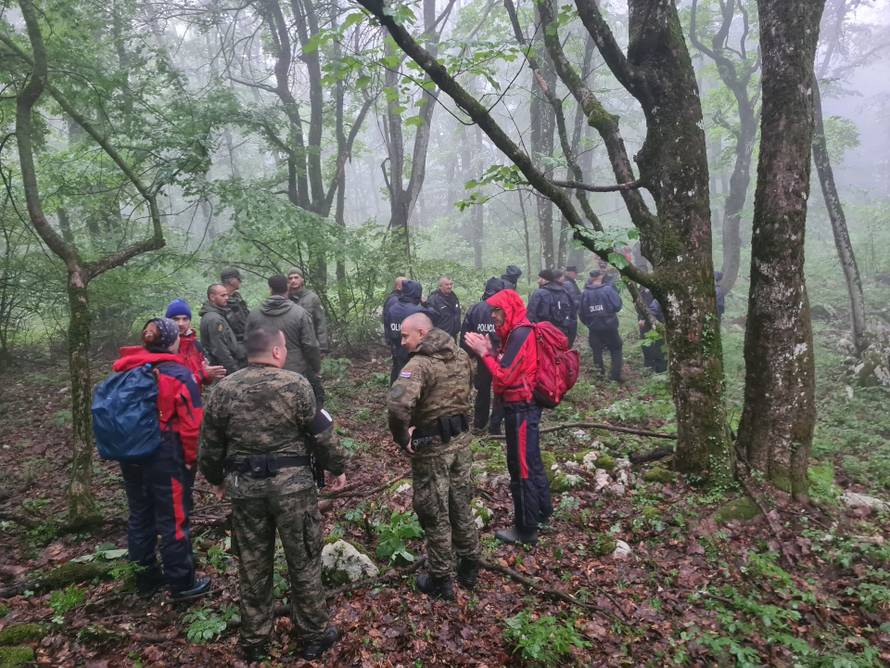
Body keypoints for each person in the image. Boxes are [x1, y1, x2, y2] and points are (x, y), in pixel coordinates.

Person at [200, 328, 348, 662]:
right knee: (304, 560)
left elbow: (209, 443)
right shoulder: (296, 385)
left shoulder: (223, 389)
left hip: (246, 491)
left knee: (252, 565)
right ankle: (313, 635)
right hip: (293, 490)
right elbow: (321, 435)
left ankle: (255, 642)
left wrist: (215, 477)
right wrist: (337, 467)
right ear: (278, 351)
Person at [113, 318, 210, 601]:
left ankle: (145, 577)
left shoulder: (127, 368)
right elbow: (192, 424)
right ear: (170, 340)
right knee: (174, 517)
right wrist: (191, 460)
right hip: (165, 453)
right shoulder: (177, 374)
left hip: (130, 452)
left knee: (140, 514)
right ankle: (182, 583)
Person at [387, 314, 481, 600]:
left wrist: (402, 437)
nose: (402, 342)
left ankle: (441, 579)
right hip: (460, 443)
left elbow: (397, 406)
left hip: (432, 448)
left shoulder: (419, 365)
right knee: (460, 502)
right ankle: (470, 563)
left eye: (406, 336)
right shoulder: (460, 355)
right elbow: (470, 384)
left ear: (422, 332)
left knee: (434, 511)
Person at [464, 290, 551, 546]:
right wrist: (493, 350)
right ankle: (542, 512)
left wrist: (485, 354)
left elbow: (502, 377)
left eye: (497, 310)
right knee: (532, 461)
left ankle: (526, 529)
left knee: (521, 465)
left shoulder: (521, 333)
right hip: (522, 406)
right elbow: (512, 368)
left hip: (522, 409)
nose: (493, 315)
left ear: (510, 308)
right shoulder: (516, 333)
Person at [246, 275, 324, 408]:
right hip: (296, 371)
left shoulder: (254, 314)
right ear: (287, 287)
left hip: (262, 374)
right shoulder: (300, 313)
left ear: (270, 289)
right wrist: (316, 368)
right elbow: (310, 345)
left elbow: (247, 343)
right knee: (303, 405)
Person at [460, 277, 505, 434]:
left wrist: (467, 354)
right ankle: (494, 426)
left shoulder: (475, 308)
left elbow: (466, 333)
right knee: (499, 391)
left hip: (483, 357)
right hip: (500, 358)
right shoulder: (504, 309)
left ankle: (480, 424)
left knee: (483, 389)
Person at [165, 299, 226, 388]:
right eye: (176, 319)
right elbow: (170, 385)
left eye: (185, 319)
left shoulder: (195, 345)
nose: (181, 323)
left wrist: (209, 375)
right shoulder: (162, 346)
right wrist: (202, 374)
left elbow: (204, 381)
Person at [386, 279, 433, 383]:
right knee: (410, 376)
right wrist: (426, 304)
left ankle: (394, 393)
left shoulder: (393, 308)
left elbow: (387, 327)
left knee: (397, 371)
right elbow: (435, 316)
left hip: (396, 347)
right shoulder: (418, 310)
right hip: (412, 350)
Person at [580, 270, 623, 381]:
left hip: (594, 328)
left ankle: (600, 375)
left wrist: (589, 323)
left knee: (596, 350)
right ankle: (615, 375)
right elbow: (617, 305)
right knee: (616, 349)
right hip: (610, 326)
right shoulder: (608, 290)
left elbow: (581, 313)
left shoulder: (585, 293)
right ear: (601, 276)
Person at [199, 284, 246, 375]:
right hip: (223, 370)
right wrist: (235, 372)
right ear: (212, 297)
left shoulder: (218, 314)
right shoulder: (214, 319)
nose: (227, 298)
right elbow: (220, 350)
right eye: (223, 295)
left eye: (227, 295)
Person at [288, 268, 330, 353]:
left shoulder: (312, 298)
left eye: (296, 277)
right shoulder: (285, 298)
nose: (293, 280)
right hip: (291, 344)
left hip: (309, 343)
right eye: (290, 278)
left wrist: (323, 346)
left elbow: (320, 323)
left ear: (302, 279)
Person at [527, 269, 574, 338]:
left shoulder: (539, 293)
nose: (538, 280)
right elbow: (571, 311)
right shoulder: (564, 292)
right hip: (560, 332)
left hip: (542, 332)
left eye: (540, 278)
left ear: (545, 279)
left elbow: (531, 313)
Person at [636, 288, 667, 373]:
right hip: (647, 319)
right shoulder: (639, 288)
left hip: (656, 320)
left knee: (659, 346)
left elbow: (655, 306)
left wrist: (643, 317)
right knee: (646, 344)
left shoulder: (654, 287)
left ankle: (661, 371)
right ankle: (649, 368)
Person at [221, 268, 250, 343]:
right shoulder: (221, 301)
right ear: (231, 281)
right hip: (234, 343)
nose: (240, 281)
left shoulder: (237, 297)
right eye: (238, 278)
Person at [562, 266, 582, 347]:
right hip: (570, 314)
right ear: (569, 273)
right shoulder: (568, 283)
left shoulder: (570, 282)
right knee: (569, 337)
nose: (576, 275)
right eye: (574, 273)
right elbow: (574, 300)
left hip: (567, 314)